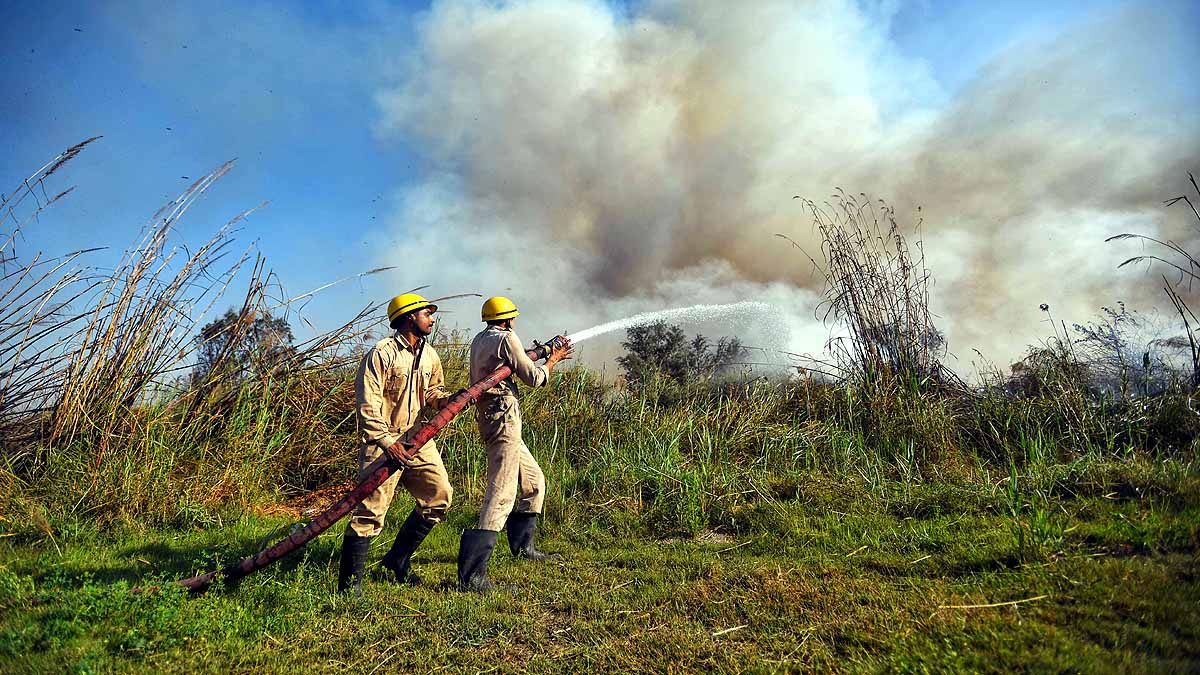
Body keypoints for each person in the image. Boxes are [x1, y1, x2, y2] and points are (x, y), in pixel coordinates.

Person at [337, 293, 455, 595]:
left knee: (439, 495)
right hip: (382, 441)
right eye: (426, 313)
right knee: (369, 513)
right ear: (408, 317)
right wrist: (388, 442)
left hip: (418, 440)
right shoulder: (381, 353)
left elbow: (432, 392)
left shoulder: (430, 355)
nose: (432, 318)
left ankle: (397, 560)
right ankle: (350, 589)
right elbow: (367, 407)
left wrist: (446, 400)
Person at [457, 296, 573, 592]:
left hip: (494, 419)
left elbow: (515, 361)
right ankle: (472, 576)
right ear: (508, 319)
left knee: (534, 482)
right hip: (504, 420)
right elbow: (533, 378)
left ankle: (524, 549)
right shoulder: (507, 338)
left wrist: (543, 349)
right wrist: (554, 359)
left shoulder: (481, 339)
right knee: (502, 493)